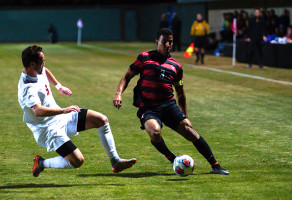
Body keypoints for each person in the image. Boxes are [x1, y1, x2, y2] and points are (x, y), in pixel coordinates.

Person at [113, 28, 229, 175]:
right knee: (154, 132)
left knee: (190, 132)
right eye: (164, 42)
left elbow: (180, 94)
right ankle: (173, 158)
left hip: (168, 106)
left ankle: (216, 166)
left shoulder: (176, 67)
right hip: (148, 108)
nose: (168, 45)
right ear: (157, 42)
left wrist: (185, 116)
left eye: (170, 42)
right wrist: (118, 94)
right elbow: (127, 76)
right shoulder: (144, 57)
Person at [18, 45, 136, 177]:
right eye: (42, 62)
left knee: (101, 120)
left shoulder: (38, 70)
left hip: (60, 117)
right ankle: (41, 163)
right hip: (48, 129)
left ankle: (115, 161)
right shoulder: (28, 88)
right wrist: (63, 110)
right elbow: (38, 111)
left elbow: (45, 71)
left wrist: (59, 86)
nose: (44, 64)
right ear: (32, 64)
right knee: (77, 161)